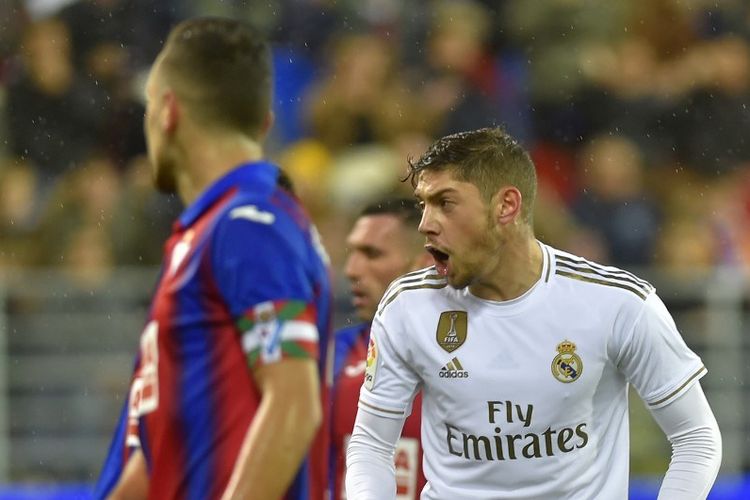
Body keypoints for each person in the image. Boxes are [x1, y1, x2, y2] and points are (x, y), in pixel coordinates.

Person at [345, 127, 722, 499]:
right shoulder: (407, 305)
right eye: (422, 204)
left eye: (445, 203)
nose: (425, 224)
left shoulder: (616, 303)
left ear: (506, 206)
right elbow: (372, 443)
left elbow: (696, 437)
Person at [94, 18, 332, 500]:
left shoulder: (249, 225)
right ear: (263, 123)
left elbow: (293, 402)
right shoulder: (212, 233)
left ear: (167, 112)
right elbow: (165, 447)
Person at [332, 197, 432, 500]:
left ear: (424, 264)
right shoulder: (329, 357)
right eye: (352, 253)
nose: (351, 270)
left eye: (371, 254)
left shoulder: (474, 353)